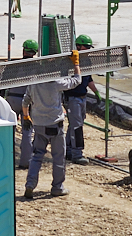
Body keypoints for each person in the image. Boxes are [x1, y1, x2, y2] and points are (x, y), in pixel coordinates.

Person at [22, 53, 82, 199]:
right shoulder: (57, 83)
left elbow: (25, 101)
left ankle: (30, 185)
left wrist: (26, 116)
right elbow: (77, 80)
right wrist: (76, 64)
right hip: (55, 125)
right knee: (58, 157)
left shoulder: (34, 83)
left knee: (36, 156)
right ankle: (57, 187)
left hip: (39, 124)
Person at [64, 34, 101, 165]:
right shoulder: (70, 61)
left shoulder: (86, 61)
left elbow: (88, 79)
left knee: (75, 124)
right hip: (72, 97)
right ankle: (77, 153)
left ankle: (67, 150)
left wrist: (96, 93)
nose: (89, 50)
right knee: (77, 126)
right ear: (79, 46)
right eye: (86, 47)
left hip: (81, 97)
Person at [3, 40, 38, 170]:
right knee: (27, 132)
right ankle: (25, 162)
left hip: (12, 99)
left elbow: (3, 83)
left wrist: (2, 98)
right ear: (35, 52)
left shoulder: (13, 65)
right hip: (28, 102)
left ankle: (7, 160)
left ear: (23, 50)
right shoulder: (37, 67)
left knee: (8, 131)